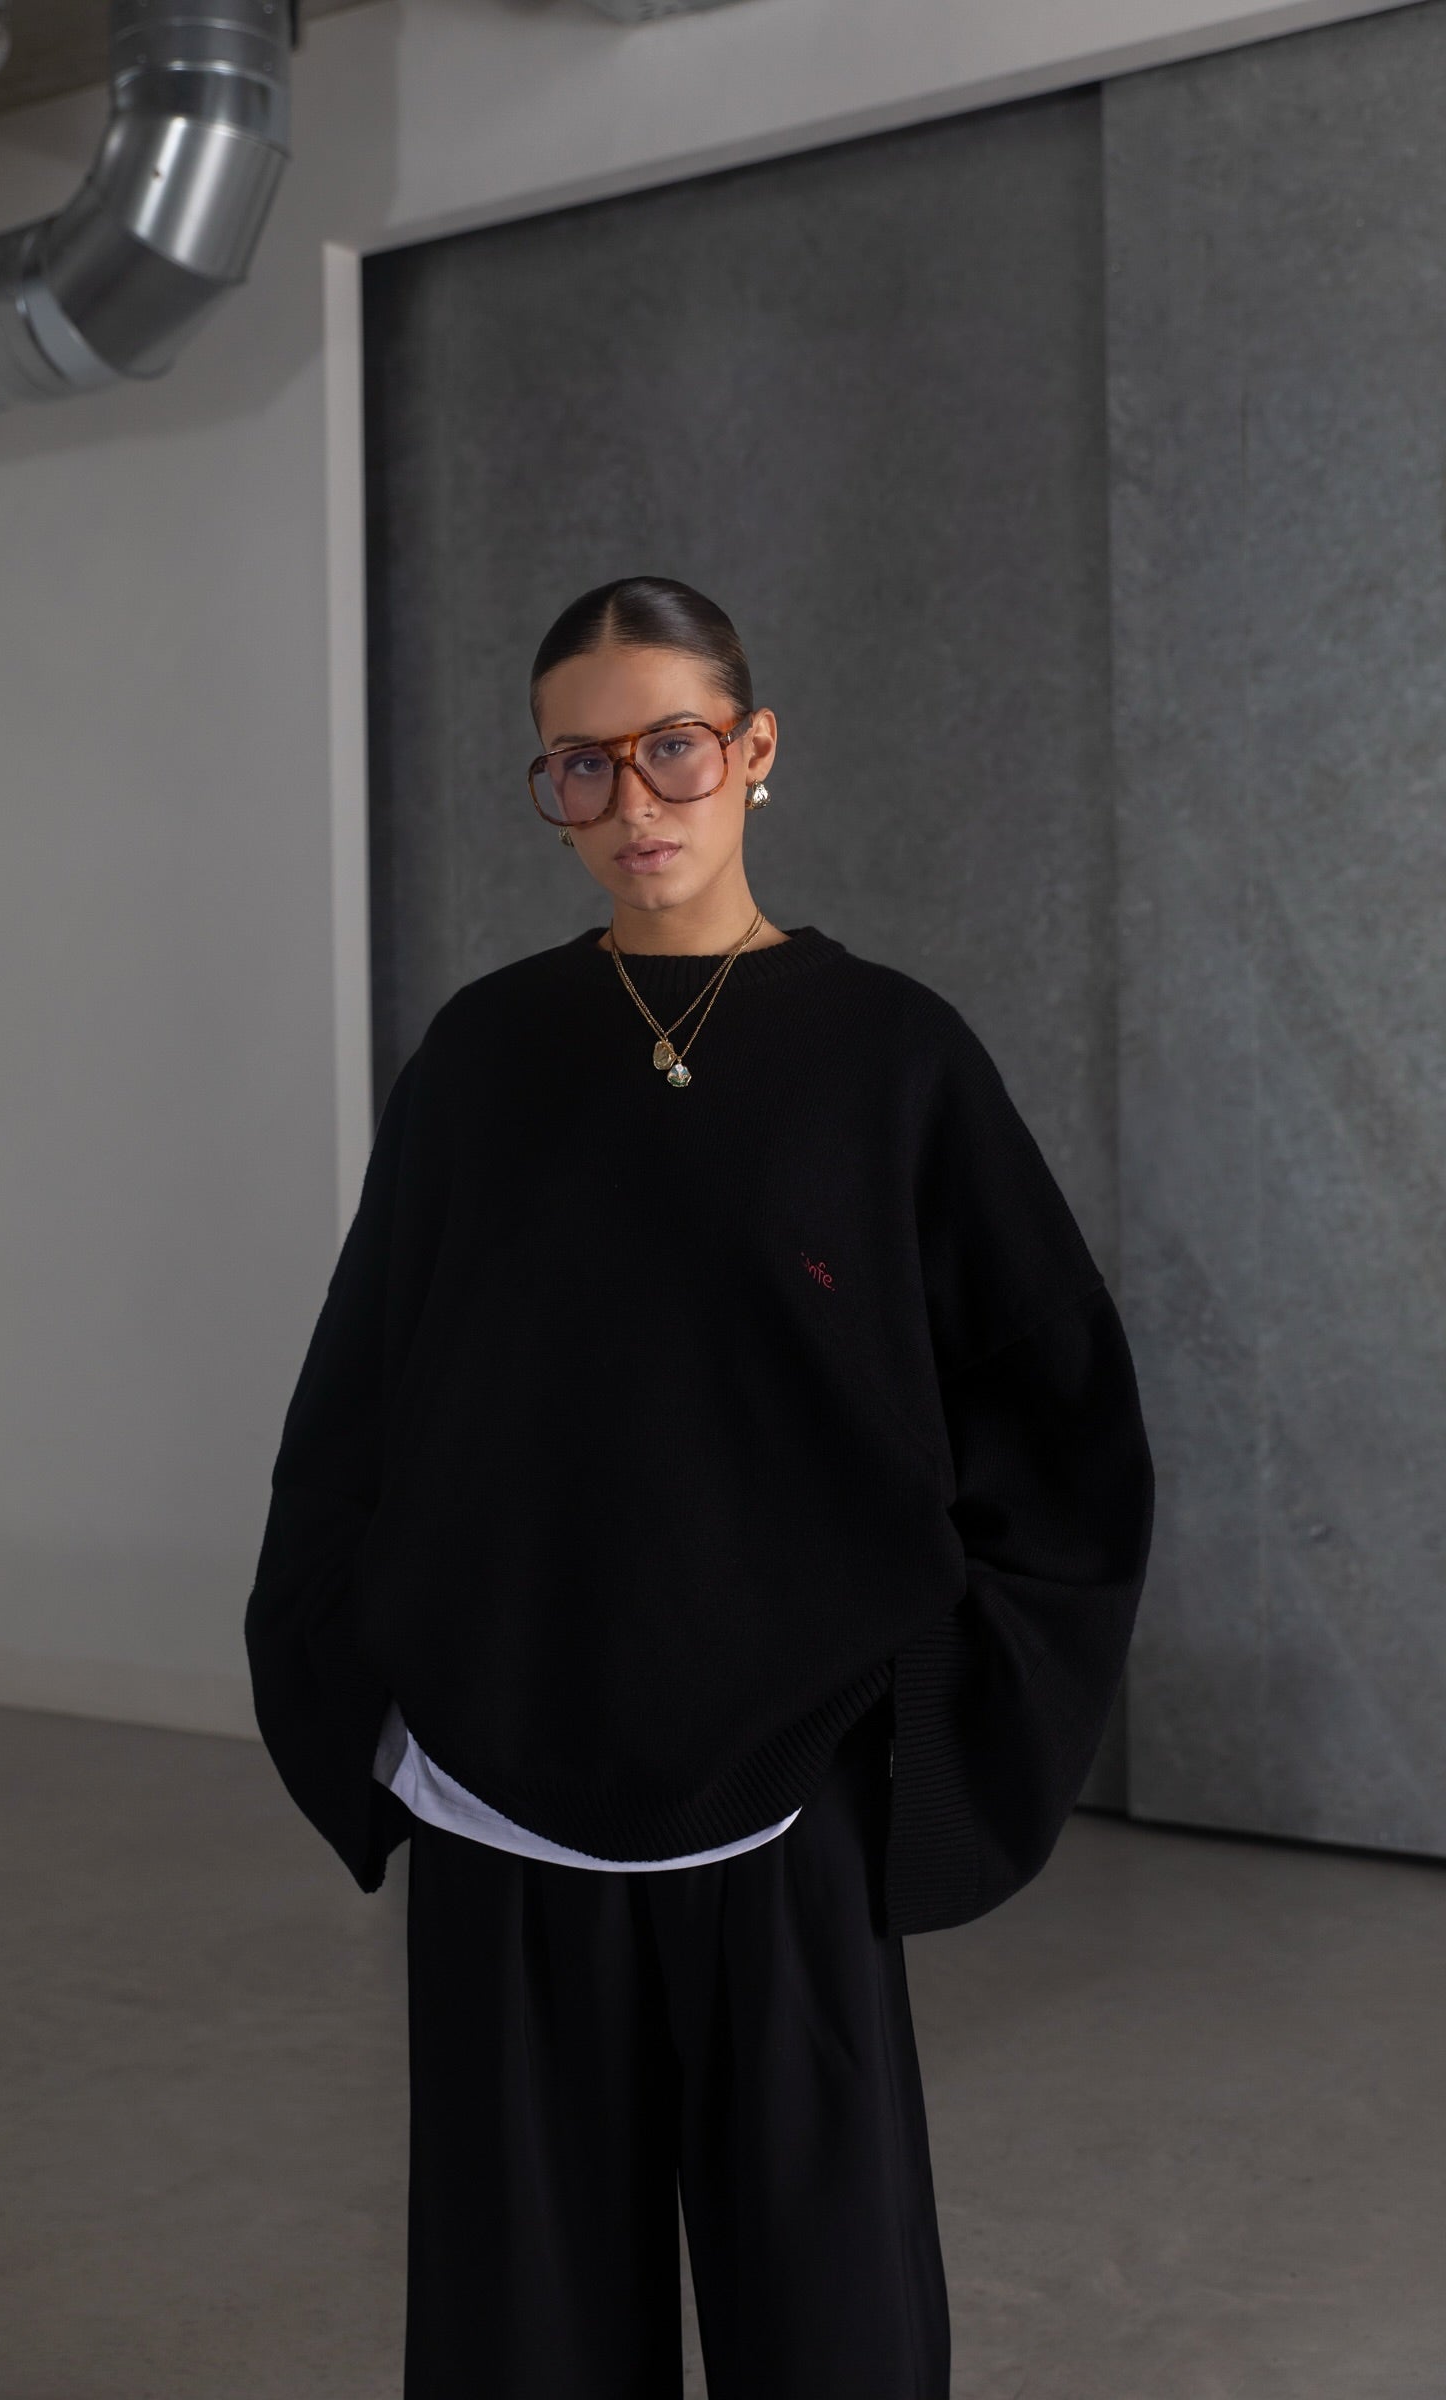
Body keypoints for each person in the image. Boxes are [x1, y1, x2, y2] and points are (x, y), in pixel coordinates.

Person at [244, 574, 1156, 2399]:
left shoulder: (891, 1054)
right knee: (522, 2329)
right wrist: (383, 1690)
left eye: (671, 746)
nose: (632, 799)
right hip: (503, 1780)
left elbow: (1057, 1410)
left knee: (830, 2324)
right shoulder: (484, 1058)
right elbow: (360, 1398)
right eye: (579, 765)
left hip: (791, 1788)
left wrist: (921, 1722)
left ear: (755, 751)